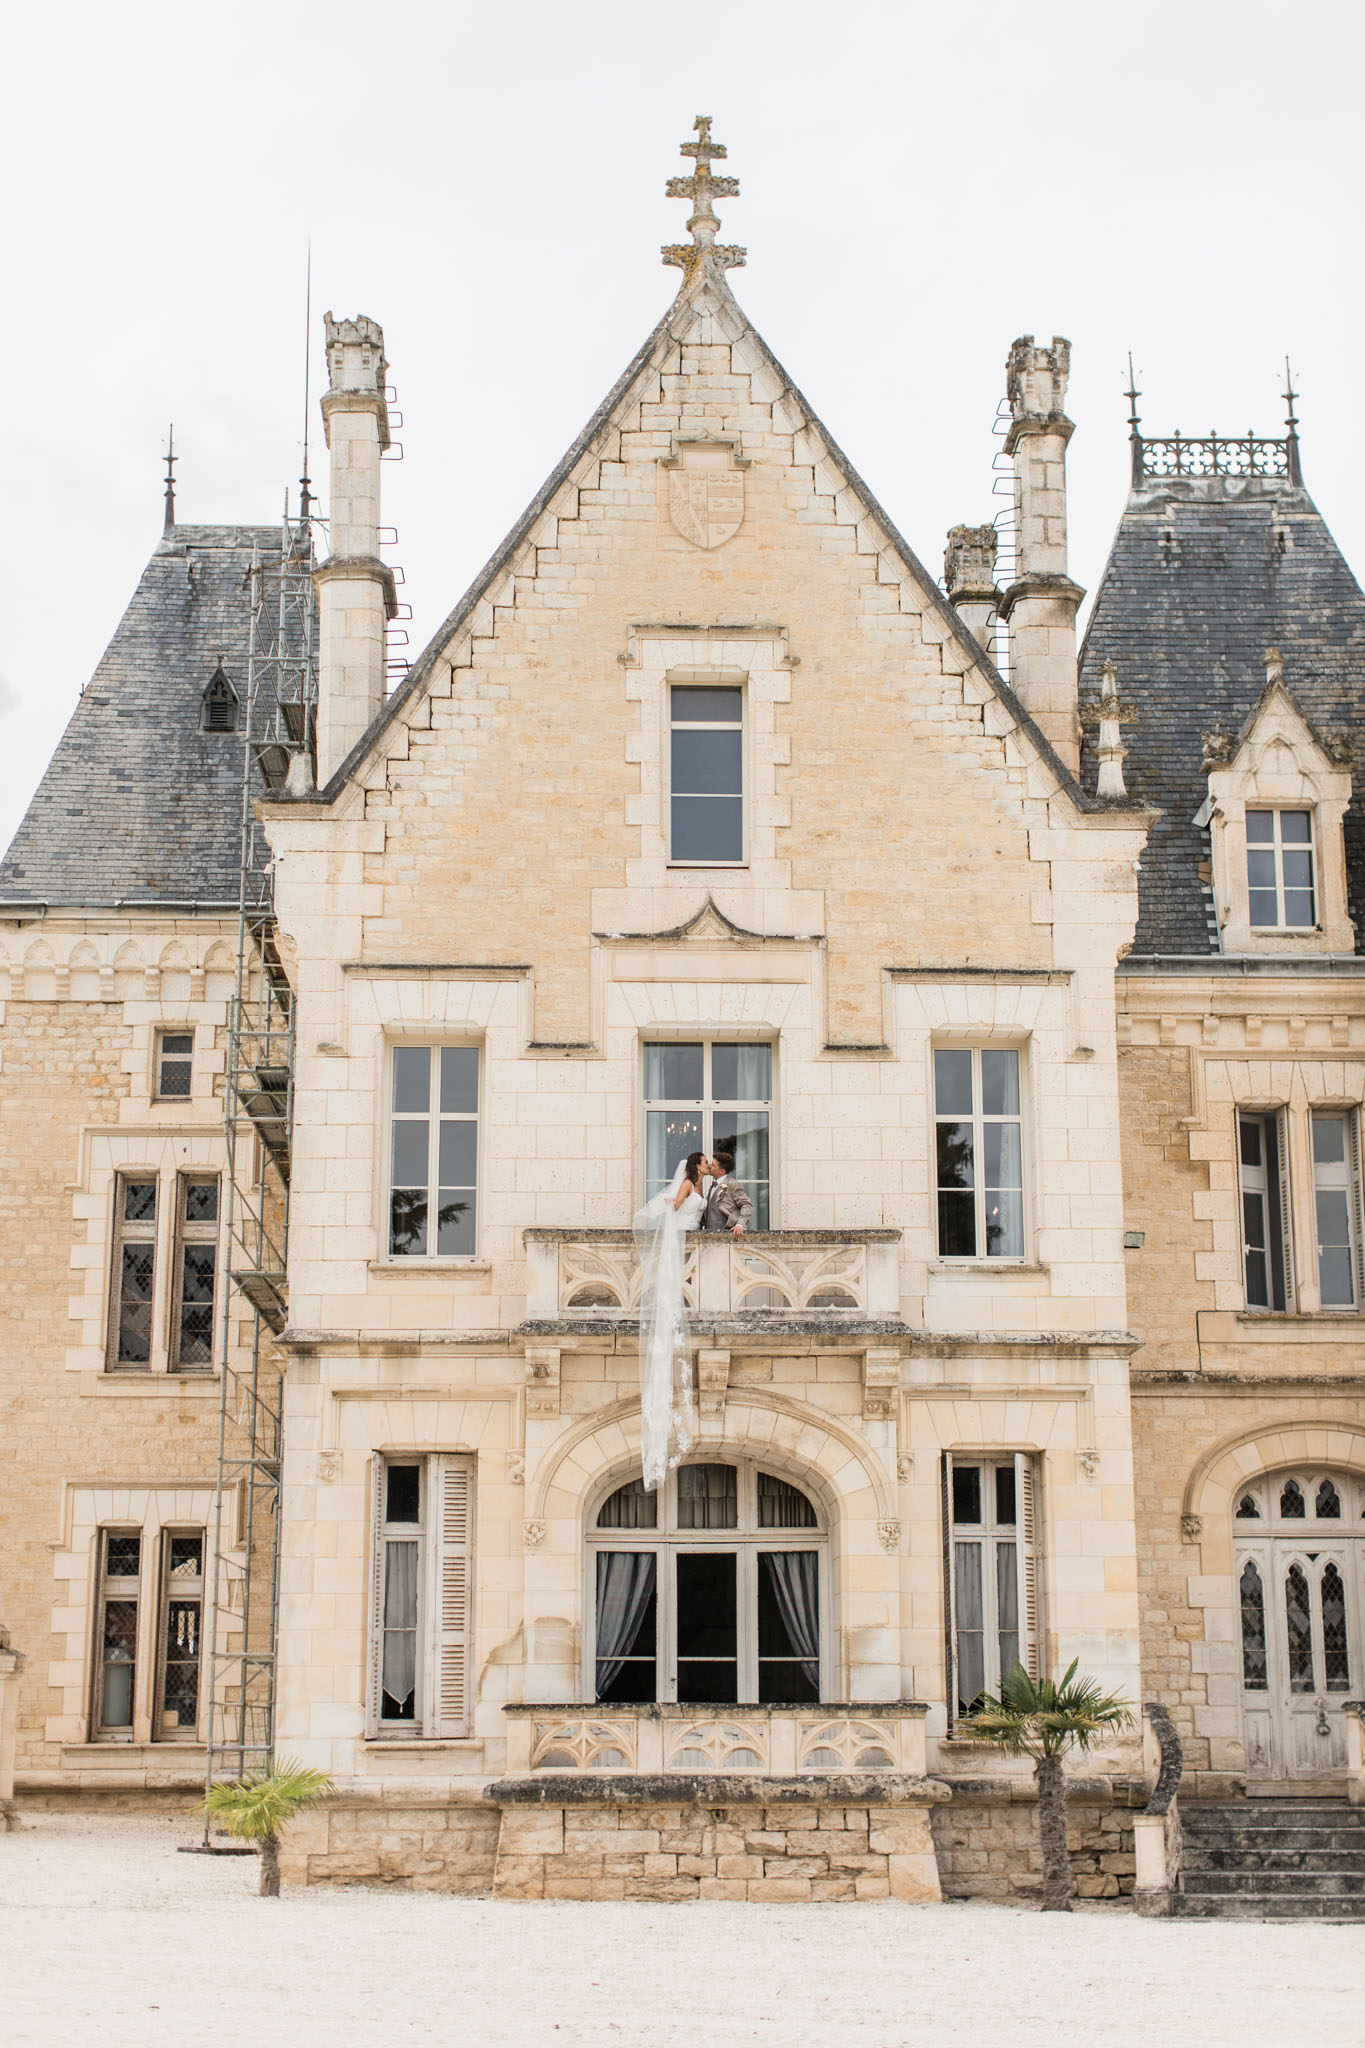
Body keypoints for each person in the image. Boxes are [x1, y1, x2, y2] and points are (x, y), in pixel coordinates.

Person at [632, 1151, 705, 1488]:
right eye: (704, 1161)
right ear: (695, 1165)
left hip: (692, 1236)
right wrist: (669, 1203)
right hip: (683, 1237)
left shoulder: (701, 1184)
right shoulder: (690, 1183)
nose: (707, 1165)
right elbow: (676, 1205)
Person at [701, 1150, 754, 1235]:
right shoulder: (712, 1186)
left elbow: (747, 1205)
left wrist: (740, 1225)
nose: (709, 1166)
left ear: (722, 1171)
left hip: (726, 1234)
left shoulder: (733, 1184)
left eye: (713, 1165)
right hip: (709, 1235)